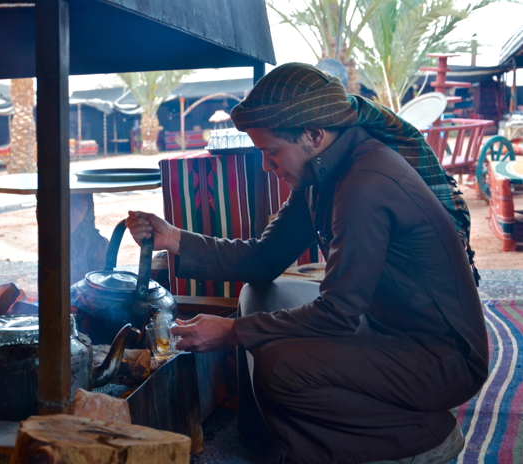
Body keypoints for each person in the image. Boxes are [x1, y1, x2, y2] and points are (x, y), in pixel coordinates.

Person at [126, 63, 488, 464]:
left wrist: (230, 333)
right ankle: (275, 441)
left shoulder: (365, 182)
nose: (267, 166)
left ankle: (426, 440)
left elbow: (337, 314)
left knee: (281, 368)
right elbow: (263, 259)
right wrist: (173, 238)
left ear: (314, 135)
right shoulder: (325, 170)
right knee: (259, 296)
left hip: (444, 358)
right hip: (384, 326)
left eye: (271, 152)